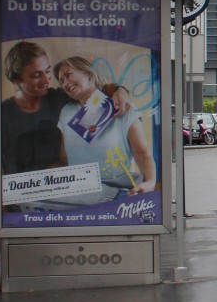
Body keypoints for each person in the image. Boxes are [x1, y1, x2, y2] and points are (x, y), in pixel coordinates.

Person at [0, 41, 132, 176]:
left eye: (47, 71)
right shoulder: (2, 114)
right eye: (37, 75)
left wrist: (120, 90)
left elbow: (98, 90)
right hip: (20, 191)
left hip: (63, 185)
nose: (46, 80)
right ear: (17, 81)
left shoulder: (58, 98)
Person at [54, 56, 157, 201]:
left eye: (68, 75)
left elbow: (141, 152)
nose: (65, 83)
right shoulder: (66, 111)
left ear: (87, 73)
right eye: (61, 80)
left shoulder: (121, 106)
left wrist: (150, 182)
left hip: (117, 197)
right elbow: (65, 157)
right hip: (79, 197)